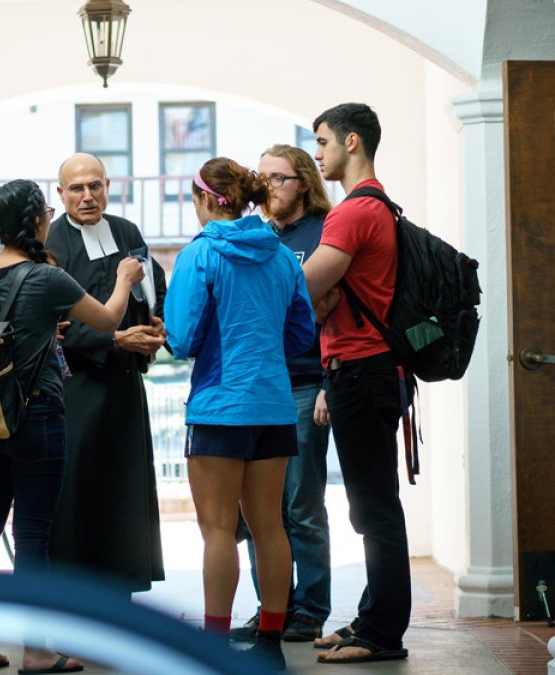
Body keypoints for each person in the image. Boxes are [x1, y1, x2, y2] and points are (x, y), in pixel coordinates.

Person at [0, 179, 150, 673]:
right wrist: (125, 277)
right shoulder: (47, 277)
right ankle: (37, 650)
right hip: (37, 414)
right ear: (38, 221)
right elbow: (106, 320)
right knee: (33, 535)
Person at [164, 157, 315, 670]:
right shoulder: (281, 256)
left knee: (219, 531)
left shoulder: (200, 255)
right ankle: (271, 641)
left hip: (219, 407)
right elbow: (301, 334)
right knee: (270, 525)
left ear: (205, 199)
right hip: (273, 404)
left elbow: (182, 339)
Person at [302, 103, 411, 665]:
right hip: (369, 371)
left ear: (350, 141)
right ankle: (372, 618)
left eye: (321, 142)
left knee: (375, 507)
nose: (317, 152)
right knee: (372, 505)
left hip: (363, 371)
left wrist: (320, 300)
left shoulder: (351, 213)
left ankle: (383, 633)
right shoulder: (381, 206)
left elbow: (301, 291)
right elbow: (324, 296)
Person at [45, 152, 165, 592]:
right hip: (74, 388)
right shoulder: (52, 243)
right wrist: (113, 340)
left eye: (95, 185)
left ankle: (121, 594)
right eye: (76, 188)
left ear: (108, 186)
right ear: (60, 194)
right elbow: (52, 323)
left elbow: (153, 286)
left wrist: (158, 322)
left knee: (123, 490)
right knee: (77, 493)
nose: (87, 196)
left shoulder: (127, 231)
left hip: (123, 387)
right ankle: (75, 600)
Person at [230, 144, 334, 644]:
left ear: (304, 182)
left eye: (280, 178)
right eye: (263, 178)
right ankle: (272, 607)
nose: (269, 186)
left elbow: (338, 311)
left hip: (305, 383)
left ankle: (310, 608)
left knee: (300, 506)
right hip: (258, 387)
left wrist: (328, 384)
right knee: (256, 514)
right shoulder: (258, 237)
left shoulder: (323, 233)